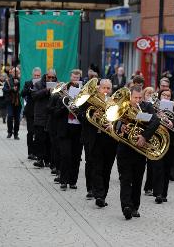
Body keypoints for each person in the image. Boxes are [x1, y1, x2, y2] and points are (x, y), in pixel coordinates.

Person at [117, 85, 160, 220]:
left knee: (137, 180)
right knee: (125, 179)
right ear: (130, 97)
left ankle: (135, 207)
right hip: (124, 148)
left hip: (140, 150)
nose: (137, 100)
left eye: (139, 97)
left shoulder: (147, 107)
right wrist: (120, 125)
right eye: (135, 98)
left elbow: (156, 121)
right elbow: (112, 120)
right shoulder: (123, 106)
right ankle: (126, 207)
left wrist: (144, 136)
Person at [87, 79, 118, 208]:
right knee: (97, 168)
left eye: (108, 88)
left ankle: (103, 195)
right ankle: (98, 194)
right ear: (99, 88)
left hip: (110, 140)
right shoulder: (90, 101)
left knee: (107, 169)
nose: (106, 90)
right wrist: (95, 115)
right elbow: (83, 116)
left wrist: (112, 123)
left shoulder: (114, 103)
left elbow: (119, 119)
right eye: (103, 88)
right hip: (96, 138)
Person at [54, 69, 83, 190]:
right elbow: (55, 112)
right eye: (73, 78)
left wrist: (78, 108)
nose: (75, 80)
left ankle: (72, 181)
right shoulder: (62, 92)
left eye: (77, 78)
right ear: (70, 78)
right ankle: (63, 180)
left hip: (78, 128)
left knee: (76, 156)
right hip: (65, 129)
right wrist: (67, 107)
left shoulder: (83, 93)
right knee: (66, 155)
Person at [32, 69, 57, 168]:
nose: (50, 79)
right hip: (40, 115)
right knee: (39, 139)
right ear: (45, 76)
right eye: (49, 77)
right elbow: (34, 95)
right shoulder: (38, 84)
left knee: (49, 140)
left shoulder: (57, 84)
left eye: (52, 77)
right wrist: (46, 90)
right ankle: (40, 159)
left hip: (51, 117)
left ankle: (48, 160)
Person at [21, 67, 42, 160]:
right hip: (30, 111)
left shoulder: (42, 84)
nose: (37, 77)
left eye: (38, 75)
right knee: (30, 132)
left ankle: (37, 152)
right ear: (32, 75)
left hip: (39, 112)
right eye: (35, 75)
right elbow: (22, 93)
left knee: (38, 134)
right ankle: (30, 153)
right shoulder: (28, 83)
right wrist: (30, 89)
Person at [4, 67, 22, 139]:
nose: (15, 73)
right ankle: (9, 131)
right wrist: (12, 89)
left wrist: (19, 83)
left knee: (17, 118)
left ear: (19, 73)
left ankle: (16, 133)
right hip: (10, 102)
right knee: (10, 116)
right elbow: (4, 89)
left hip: (18, 102)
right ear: (11, 73)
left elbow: (24, 88)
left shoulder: (21, 80)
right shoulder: (8, 81)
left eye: (17, 72)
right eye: (14, 72)